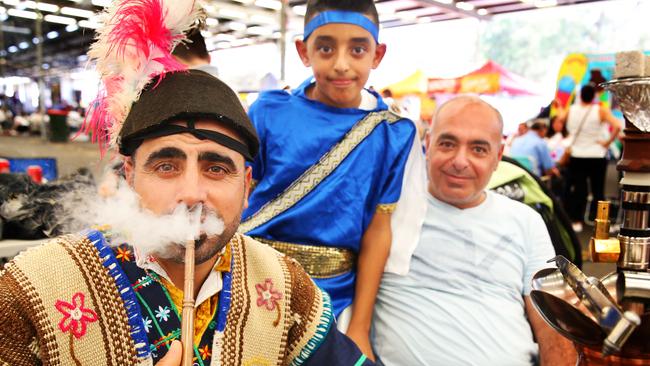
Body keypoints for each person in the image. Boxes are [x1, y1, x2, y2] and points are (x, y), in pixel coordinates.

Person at [0, 0, 372, 364]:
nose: (192, 194)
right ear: (129, 177)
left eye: (216, 168)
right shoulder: (33, 289)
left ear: (247, 187)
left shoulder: (285, 288)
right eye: (166, 166)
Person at [242, 0, 424, 360]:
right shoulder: (268, 111)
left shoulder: (393, 133)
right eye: (325, 47)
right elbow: (241, 194)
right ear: (303, 50)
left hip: (335, 296)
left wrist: (359, 324)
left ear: (377, 54)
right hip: (254, 277)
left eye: (358, 49)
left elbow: (378, 228)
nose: (341, 63)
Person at [372, 96, 577, 366]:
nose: (460, 161)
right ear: (428, 144)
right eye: (447, 144)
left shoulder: (526, 221)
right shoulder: (387, 212)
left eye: (478, 149)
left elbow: (554, 323)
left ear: (498, 156)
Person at [556, 83, 622, 232]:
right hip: (596, 155)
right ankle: (600, 223)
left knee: (579, 189)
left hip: (576, 155)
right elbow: (617, 126)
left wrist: (560, 108)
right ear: (594, 96)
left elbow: (559, 120)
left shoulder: (571, 110)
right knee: (598, 190)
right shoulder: (600, 110)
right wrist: (607, 143)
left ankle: (577, 220)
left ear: (580, 96)